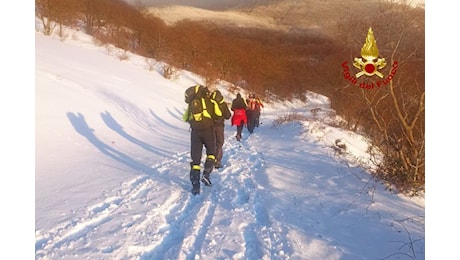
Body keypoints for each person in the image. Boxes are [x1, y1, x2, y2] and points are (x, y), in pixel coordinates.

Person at [183, 85, 222, 195]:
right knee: (211, 153)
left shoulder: (191, 103)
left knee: (195, 160)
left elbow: (185, 118)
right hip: (208, 131)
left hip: (195, 133)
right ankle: (206, 174)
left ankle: (195, 187)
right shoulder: (210, 102)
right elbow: (219, 114)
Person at [210, 89, 231, 169]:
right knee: (219, 142)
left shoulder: (208, 102)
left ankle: (210, 159)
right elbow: (228, 116)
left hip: (209, 125)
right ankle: (217, 161)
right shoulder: (222, 104)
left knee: (211, 143)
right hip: (219, 126)